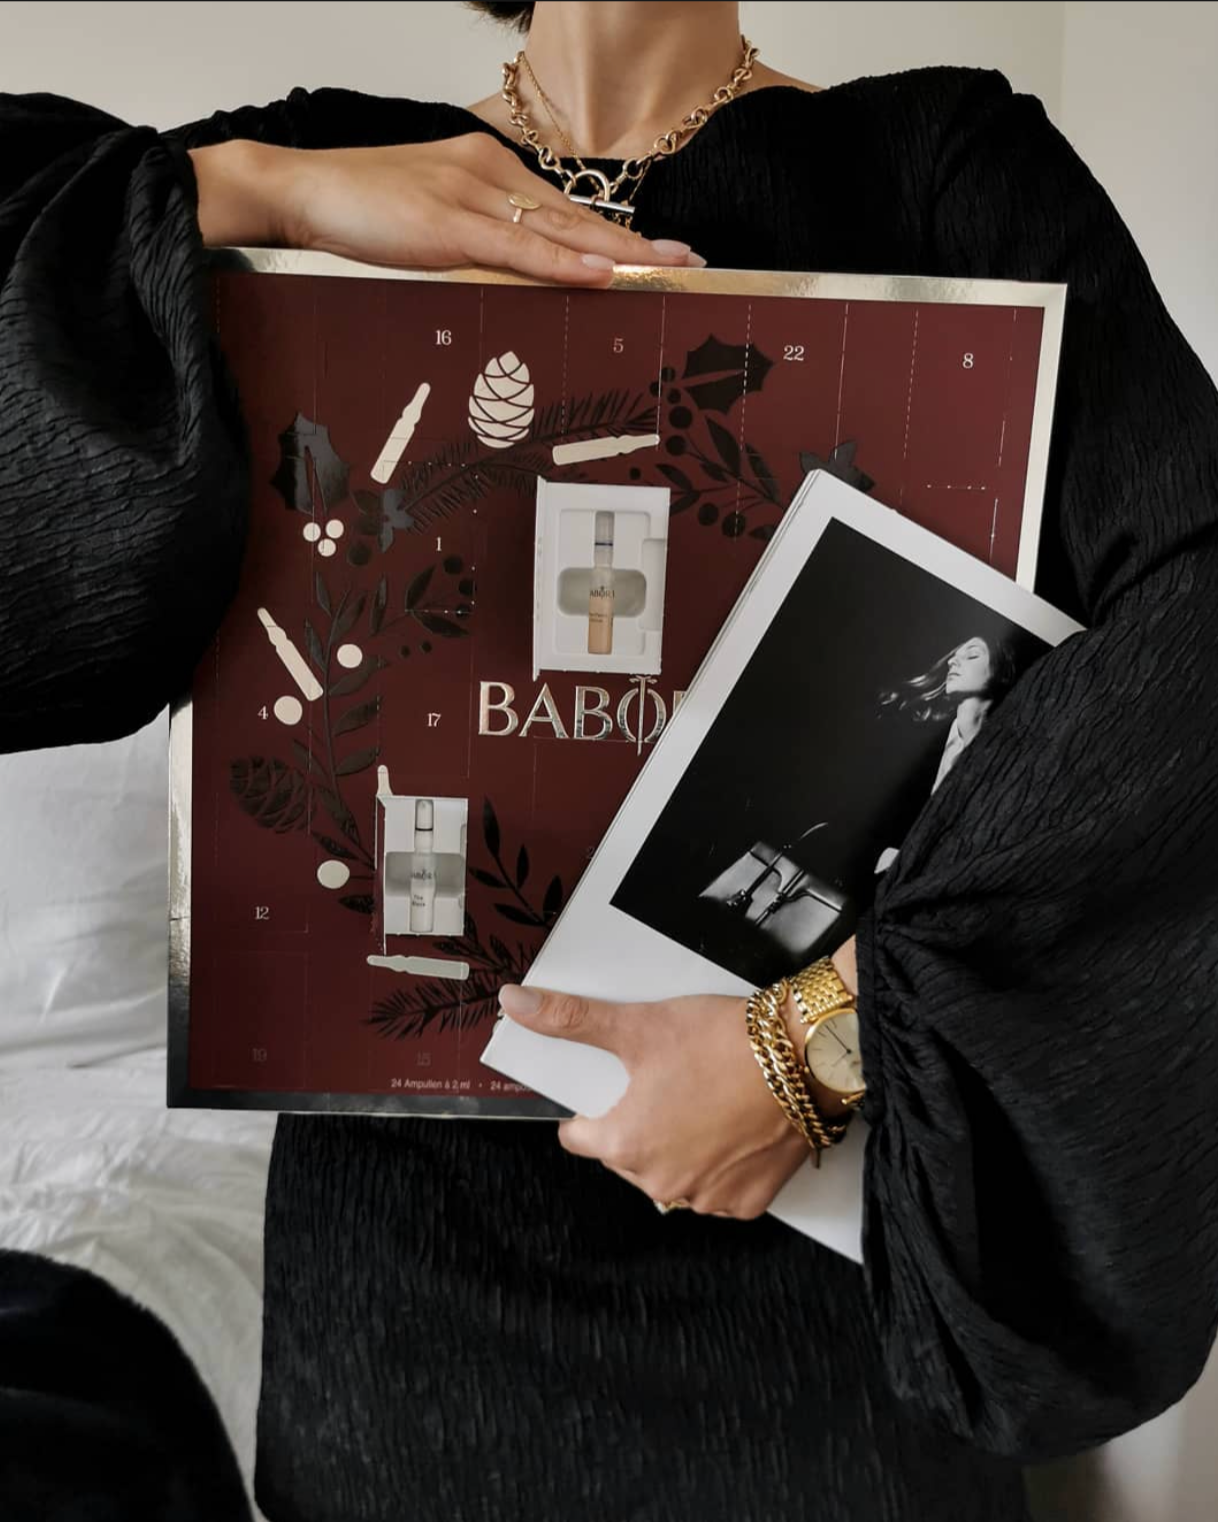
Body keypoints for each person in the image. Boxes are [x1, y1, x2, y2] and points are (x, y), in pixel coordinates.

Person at [3, 1, 1217, 1518]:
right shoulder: (320, 156)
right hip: (403, 1290)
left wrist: (820, 1040)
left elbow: (1192, 626)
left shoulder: (939, 165)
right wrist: (244, 193)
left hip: (806, 1270)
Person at [874, 633, 1021, 872]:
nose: (953, 660)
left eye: (972, 654)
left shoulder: (1008, 758)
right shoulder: (912, 736)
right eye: (954, 656)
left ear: (1003, 672)